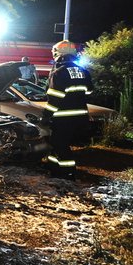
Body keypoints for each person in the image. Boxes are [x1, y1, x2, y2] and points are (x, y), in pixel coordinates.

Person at [42, 40, 93, 179]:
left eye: (54, 54)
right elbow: (88, 93)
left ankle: (68, 173)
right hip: (80, 117)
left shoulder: (59, 72)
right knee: (55, 144)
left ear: (59, 54)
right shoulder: (84, 71)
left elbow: (54, 99)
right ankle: (53, 168)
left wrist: (45, 116)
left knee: (60, 145)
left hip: (63, 118)